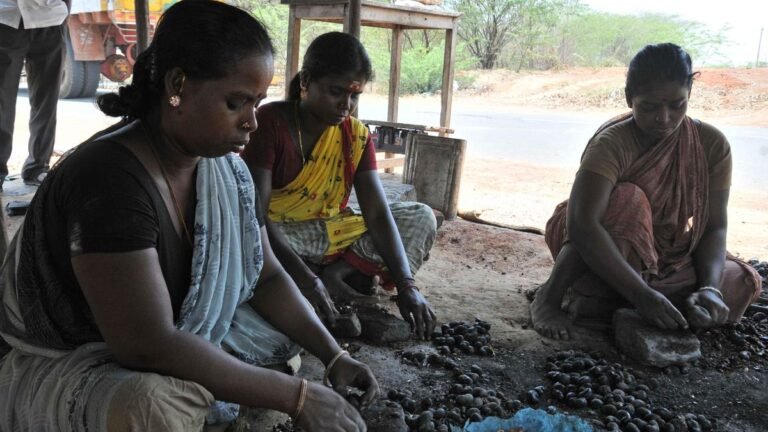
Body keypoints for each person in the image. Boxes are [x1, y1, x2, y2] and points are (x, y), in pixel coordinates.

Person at [0, 2, 378, 431]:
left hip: (170, 335)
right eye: (236, 103)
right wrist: (297, 397)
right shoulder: (108, 179)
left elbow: (266, 277)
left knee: (280, 331)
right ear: (177, 85)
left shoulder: (226, 171)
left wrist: (334, 356)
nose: (252, 123)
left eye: (257, 104)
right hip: (82, 360)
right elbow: (145, 344)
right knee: (149, 408)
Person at [530, 43, 762, 340]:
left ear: (689, 94)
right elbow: (581, 225)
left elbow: (714, 227)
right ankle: (550, 296)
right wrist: (641, 295)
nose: (664, 118)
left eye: (677, 105)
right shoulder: (612, 143)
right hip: (597, 244)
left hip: (666, 253)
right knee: (629, 200)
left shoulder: (712, 145)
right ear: (630, 98)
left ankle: (614, 300)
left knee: (740, 279)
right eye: (650, 107)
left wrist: (709, 289)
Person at [241, 32, 438, 340]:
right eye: (336, 92)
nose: (346, 105)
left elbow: (377, 213)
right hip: (282, 235)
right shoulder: (271, 122)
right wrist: (306, 279)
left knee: (421, 216)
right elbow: (256, 216)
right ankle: (315, 281)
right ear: (306, 81)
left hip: (333, 232)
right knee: (244, 244)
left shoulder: (356, 136)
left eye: (354, 96)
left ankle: (336, 275)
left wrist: (407, 285)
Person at [0, 0, 69, 190]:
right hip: (6, 19)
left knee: (46, 101)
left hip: (50, 18)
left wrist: (64, 11)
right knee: (2, 102)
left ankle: (38, 166)